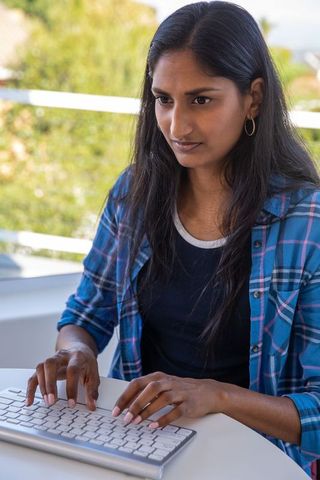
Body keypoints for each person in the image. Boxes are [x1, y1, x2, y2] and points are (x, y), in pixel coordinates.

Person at [25, 1, 320, 476]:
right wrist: (76, 351)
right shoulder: (134, 193)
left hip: (253, 461)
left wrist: (215, 395)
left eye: (201, 99)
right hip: (137, 446)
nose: (177, 126)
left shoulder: (307, 223)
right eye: (164, 99)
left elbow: (317, 410)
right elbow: (85, 314)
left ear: (254, 98)